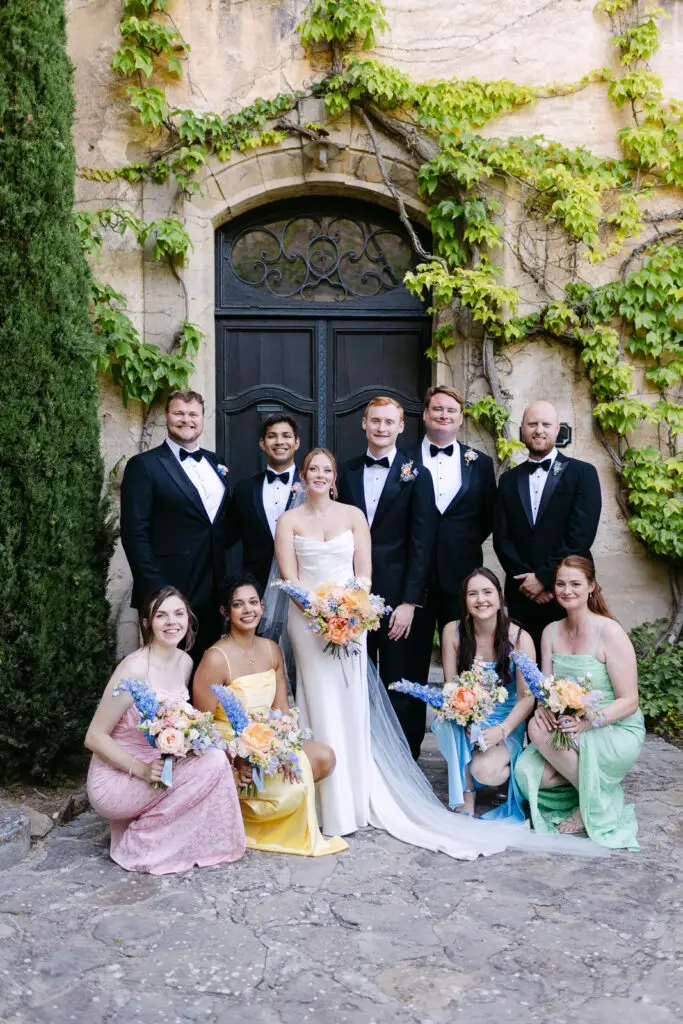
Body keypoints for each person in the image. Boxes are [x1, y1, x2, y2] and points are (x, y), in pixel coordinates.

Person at [272, 448, 602, 860]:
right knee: (316, 699)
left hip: (351, 623)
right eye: (313, 470)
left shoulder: (353, 516)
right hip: (308, 625)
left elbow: (364, 573)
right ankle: (323, 797)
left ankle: (355, 796)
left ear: (335, 476)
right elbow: (290, 579)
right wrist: (323, 616)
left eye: (327, 469)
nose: (319, 475)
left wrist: (349, 614)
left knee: (349, 700)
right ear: (302, 477)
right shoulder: (288, 520)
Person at [85, 586, 246, 874]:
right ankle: (139, 841)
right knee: (212, 763)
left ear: (189, 618)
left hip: (159, 766)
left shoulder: (184, 662)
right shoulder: (133, 670)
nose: (172, 622)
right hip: (119, 777)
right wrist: (141, 768)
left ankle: (187, 839)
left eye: (178, 614)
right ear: (147, 623)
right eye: (162, 615)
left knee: (215, 755)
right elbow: (94, 737)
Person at [192, 574, 347, 858]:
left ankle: (265, 805)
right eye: (238, 604)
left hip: (268, 740)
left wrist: (283, 749)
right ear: (225, 612)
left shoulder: (271, 649)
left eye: (253, 602)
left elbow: (282, 713)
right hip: (230, 747)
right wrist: (235, 757)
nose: (248, 609)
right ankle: (233, 808)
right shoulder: (215, 658)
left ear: (263, 606)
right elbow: (202, 728)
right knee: (281, 785)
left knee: (324, 757)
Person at [515, 556, 645, 849]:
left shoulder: (609, 631)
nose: (567, 590)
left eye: (575, 583)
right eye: (560, 584)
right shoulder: (549, 632)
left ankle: (590, 809)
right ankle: (595, 792)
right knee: (529, 772)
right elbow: (545, 690)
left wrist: (586, 724)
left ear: (591, 587)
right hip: (568, 724)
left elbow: (630, 701)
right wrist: (543, 709)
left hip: (612, 727)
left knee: (540, 737)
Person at [338, 396, 435, 759]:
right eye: (374, 421)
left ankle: (406, 764)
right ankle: (361, 761)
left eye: (388, 422)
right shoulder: (345, 473)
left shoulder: (417, 474)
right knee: (355, 682)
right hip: (352, 601)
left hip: (399, 602)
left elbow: (422, 542)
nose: (381, 428)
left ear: (401, 426)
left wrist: (410, 602)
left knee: (400, 684)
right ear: (364, 423)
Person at [120, 390, 230, 667]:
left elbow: (219, 526)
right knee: (167, 673)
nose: (186, 420)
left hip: (212, 591)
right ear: (167, 416)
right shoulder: (144, 465)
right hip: (169, 592)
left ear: (202, 418)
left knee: (206, 672)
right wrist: (158, 593)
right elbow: (135, 534)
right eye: (179, 413)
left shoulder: (215, 463)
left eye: (193, 414)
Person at [493, 400, 602, 653]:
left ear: (557, 429)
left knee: (567, 673)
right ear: (522, 429)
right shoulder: (508, 480)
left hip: (566, 591)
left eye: (545, 424)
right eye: (532, 424)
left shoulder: (582, 473)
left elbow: (581, 537)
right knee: (525, 670)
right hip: (522, 595)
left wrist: (543, 578)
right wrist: (528, 583)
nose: (538, 430)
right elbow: (502, 538)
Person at [409, 385, 497, 686]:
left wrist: (460, 541)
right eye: (437, 408)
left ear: (460, 419)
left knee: (466, 661)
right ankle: (408, 734)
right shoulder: (403, 459)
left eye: (451, 410)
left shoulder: (481, 464)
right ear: (425, 414)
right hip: (412, 581)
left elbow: (487, 516)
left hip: (462, 578)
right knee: (410, 665)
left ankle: (467, 728)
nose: (443, 415)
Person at [435, 569, 535, 820]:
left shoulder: (520, 638)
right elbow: (451, 688)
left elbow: (528, 697)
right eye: (473, 594)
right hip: (468, 715)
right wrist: (466, 718)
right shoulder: (452, 631)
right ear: (465, 601)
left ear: (500, 598)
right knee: (445, 721)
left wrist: (502, 729)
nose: (481, 599)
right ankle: (466, 793)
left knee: (487, 772)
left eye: (487, 592)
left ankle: (507, 770)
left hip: (504, 721)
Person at [226, 414, 302, 592]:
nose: (279, 441)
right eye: (272, 436)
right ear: (262, 443)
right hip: (255, 585)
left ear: (296, 442)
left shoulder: (311, 487)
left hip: (302, 582)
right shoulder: (244, 490)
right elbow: (226, 536)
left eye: (286, 435)